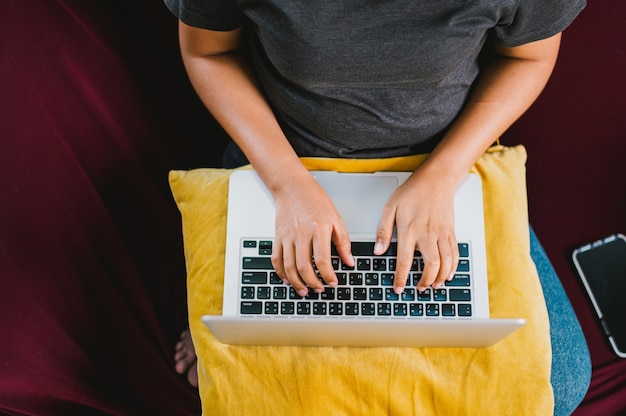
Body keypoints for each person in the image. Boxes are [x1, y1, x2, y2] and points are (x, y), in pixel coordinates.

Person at [165, 1, 590, 414]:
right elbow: (208, 51)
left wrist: (443, 176)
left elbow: (529, 58)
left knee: (561, 382)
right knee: (246, 379)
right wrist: (287, 183)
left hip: (443, 162)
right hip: (279, 158)